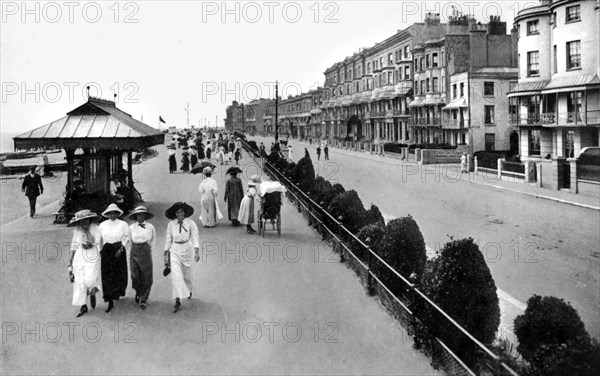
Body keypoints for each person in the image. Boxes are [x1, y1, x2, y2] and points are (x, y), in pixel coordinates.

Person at [164, 202, 200, 313]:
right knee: (176, 275)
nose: (180, 214)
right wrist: (166, 252)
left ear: (185, 213)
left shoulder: (191, 223)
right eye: (178, 212)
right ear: (175, 214)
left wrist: (196, 250)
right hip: (175, 250)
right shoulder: (171, 224)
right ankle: (177, 300)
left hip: (187, 250)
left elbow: (195, 236)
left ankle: (188, 290)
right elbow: (168, 238)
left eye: (182, 212)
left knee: (187, 275)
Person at [67, 209, 102, 317]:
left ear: (90, 219)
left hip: (92, 256)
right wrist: (70, 261)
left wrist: (86, 231)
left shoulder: (96, 228)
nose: (84, 223)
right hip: (79, 256)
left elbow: (95, 241)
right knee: (79, 282)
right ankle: (83, 306)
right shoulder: (77, 230)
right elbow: (74, 245)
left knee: (90, 279)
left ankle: (92, 290)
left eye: (86, 220)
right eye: (82, 221)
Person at [98, 203, 131, 313]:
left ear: (118, 213)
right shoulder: (102, 225)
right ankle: (109, 300)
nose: (112, 215)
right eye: (110, 213)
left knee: (119, 273)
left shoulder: (123, 224)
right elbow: (99, 240)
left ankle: (117, 292)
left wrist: (121, 249)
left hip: (119, 248)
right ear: (107, 214)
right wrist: (100, 250)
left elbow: (126, 238)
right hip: (107, 250)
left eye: (114, 213)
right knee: (107, 275)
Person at [128, 206, 156, 310]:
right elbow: (129, 240)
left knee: (146, 275)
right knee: (135, 274)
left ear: (145, 215)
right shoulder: (131, 228)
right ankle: (138, 291)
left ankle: (144, 298)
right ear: (136, 216)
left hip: (145, 250)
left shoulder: (150, 227)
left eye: (142, 214)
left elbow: (153, 239)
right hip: (134, 250)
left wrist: (149, 250)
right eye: (138, 215)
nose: (141, 216)